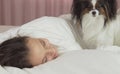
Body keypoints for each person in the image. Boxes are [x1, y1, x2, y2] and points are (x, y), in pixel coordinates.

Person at [0, 17, 82, 68]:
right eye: (45, 59)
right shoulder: (69, 50)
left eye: (43, 43)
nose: (52, 51)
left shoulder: (26, 30)